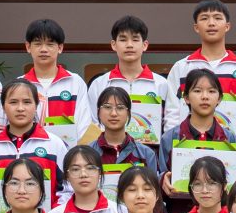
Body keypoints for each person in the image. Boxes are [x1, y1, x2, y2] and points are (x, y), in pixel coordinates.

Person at [167, 0, 236, 138]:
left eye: (217, 18)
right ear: (196, 27)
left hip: (231, 147)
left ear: (227, 26)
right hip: (187, 147)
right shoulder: (181, 67)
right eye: (204, 18)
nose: (211, 23)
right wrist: (174, 141)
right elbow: (172, 111)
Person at [82, 14, 170, 144]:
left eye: (135, 40)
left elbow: (169, 122)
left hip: (149, 156)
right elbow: (93, 123)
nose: (129, 45)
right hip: (108, 155)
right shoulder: (99, 84)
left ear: (145, 45)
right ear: (113, 45)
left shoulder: (162, 84)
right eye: (123, 40)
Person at [164, 66, 236, 206]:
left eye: (211, 91)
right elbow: (159, 172)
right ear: (186, 98)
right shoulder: (169, 138)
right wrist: (162, 179)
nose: (205, 96)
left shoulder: (230, 140)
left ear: (219, 98)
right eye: (197, 91)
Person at [0, 77, 69, 197]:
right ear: (3, 107)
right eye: (13, 102)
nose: (20, 108)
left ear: (36, 105)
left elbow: (67, 189)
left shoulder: (54, 144)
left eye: (27, 102)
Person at [14, 18, 88, 136]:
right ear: (28, 47)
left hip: (69, 152)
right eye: (38, 44)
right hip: (30, 153)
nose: (44, 49)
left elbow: (84, 124)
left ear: (60, 48)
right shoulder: (18, 85)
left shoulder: (75, 82)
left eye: (50, 44)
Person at [85, 84, 167, 186]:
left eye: (120, 107)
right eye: (107, 107)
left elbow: (152, 191)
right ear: (98, 112)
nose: (113, 113)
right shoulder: (87, 153)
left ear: (128, 113)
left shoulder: (146, 154)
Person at [58, 144, 125, 213]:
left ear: (100, 173)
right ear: (67, 176)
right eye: (75, 169)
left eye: (90, 168)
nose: (83, 174)